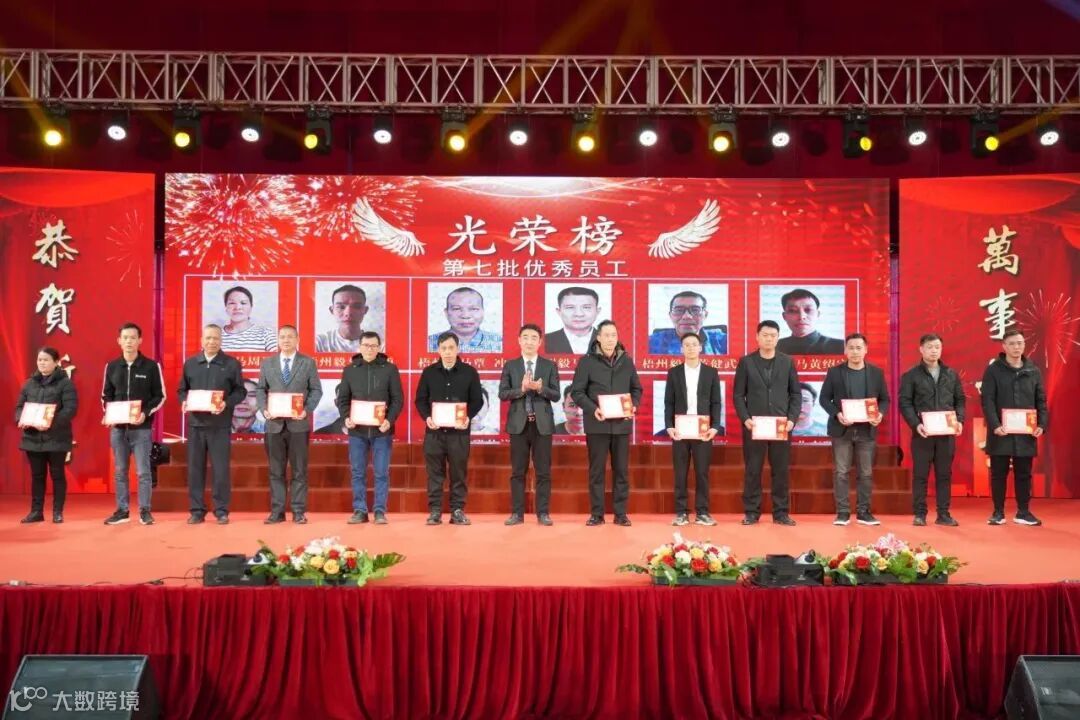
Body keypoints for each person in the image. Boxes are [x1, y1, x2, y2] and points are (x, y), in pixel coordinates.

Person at [570, 320, 643, 526]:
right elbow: (577, 392)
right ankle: (597, 514)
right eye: (606, 335)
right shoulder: (586, 362)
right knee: (597, 471)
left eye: (614, 335)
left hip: (621, 426)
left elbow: (636, 389)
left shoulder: (626, 361)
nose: (610, 339)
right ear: (598, 337)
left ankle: (621, 514)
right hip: (597, 424)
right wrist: (594, 409)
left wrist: (633, 405)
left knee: (621, 471)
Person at [733, 320, 801, 526]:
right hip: (755, 425)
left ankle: (781, 513)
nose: (769, 339)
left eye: (773, 335)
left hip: (781, 425)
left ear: (778, 338)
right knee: (753, 470)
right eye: (765, 335)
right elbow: (738, 395)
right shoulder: (746, 362)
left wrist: (792, 419)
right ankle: (751, 512)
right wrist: (746, 419)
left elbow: (795, 394)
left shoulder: (787, 362)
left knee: (780, 471)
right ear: (757, 337)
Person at [819, 333, 890, 526]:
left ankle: (864, 512)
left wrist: (880, 414)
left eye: (859, 348)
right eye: (851, 347)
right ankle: (842, 513)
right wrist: (837, 414)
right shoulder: (835, 372)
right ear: (845, 350)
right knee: (841, 472)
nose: (855, 351)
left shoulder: (876, 373)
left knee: (865, 473)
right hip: (842, 430)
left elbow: (885, 399)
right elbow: (824, 398)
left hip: (867, 431)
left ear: (866, 350)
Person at [178, 324, 246, 524]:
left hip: (220, 425)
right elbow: (182, 390)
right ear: (201, 340)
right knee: (195, 470)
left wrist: (226, 403)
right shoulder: (190, 364)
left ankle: (221, 510)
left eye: (215, 338)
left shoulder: (231, 364)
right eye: (208, 338)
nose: (211, 342)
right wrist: (184, 401)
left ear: (221, 340)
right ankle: (196, 510)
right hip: (196, 425)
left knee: (221, 470)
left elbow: (240, 391)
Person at [980, 329, 1048, 527]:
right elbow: (987, 400)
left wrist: (1041, 424)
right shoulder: (994, 370)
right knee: (998, 473)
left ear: (1024, 345)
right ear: (1004, 346)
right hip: (1001, 431)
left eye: (1019, 343)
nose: (1016, 347)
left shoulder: (1033, 370)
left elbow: (1041, 400)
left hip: (1026, 432)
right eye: (1012, 343)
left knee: (1024, 474)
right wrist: (995, 425)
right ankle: (998, 512)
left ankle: (1023, 512)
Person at [256, 325, 322, 525]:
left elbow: (316, 390)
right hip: (274, 425)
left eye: (290, 337)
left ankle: (298, 511)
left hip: (298, 425)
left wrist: (306, 410)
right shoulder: (267, 363)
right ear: (277, 340)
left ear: (297, 339)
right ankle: (277, 512)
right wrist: (264, 409)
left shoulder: (308, 363)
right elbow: (260, 389)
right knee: (276, 471)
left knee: (299, 470)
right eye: (282, 337)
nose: (286, 340)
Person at [415, 332, 484, 525]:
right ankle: (435, 511)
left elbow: (477, 400)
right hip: (434, 433)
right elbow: (420, 400)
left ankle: (457, 511)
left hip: (459, 433)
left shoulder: (469, 372)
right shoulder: (429, 373)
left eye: (451, 348)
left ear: (458, 349)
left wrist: (468, 417)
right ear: (438, 350)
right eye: (444, 348)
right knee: (434, 474)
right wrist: (427, 417)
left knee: (458, 473)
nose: (447, 352)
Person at [101, 322, 166, 527]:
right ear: (119, 341)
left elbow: (160, 396)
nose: (129, 341)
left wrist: (145, 413)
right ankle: (122, 511)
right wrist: (108, 414)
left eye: (133, 338)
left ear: (140, 341)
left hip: (141, 429)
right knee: (120, 471)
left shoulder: (151, 366)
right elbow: (106, 396)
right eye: (125, 338)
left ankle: (145, 511)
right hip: (118, 429)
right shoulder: (112, 367)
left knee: (143, 472)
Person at [898, 333, 966, 527]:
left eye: (937, 347)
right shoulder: (911, 375)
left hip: (946, 433)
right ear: (921, 349)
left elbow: (960, 400)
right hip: (923, 433)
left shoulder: (951, 374)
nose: (934, 351)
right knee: (920, 475)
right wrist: (915, 424)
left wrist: (960, 420)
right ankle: (920, 514)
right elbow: (905, 402)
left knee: (944, 475)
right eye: (930, 347)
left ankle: (943, 514)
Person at [337, 331, 404, 524]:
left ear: (379, 347)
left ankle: (380, 511)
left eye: (373, 346)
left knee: (381, 472)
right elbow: (343, 399)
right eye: (366, 345)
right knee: (358, 472)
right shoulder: (350, 370)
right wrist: (346, 417)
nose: (369, 349)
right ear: (359, 347)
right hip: (357, 431)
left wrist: (389, 420)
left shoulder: (390, 369)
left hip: (381, 431)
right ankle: (360, 510)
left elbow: (397, 399)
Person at [499, 323, 561, 526]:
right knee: (518, 472)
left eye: (534, 338)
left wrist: (541, 389)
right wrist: (522, 389)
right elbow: (502, 394)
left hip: (542, 425)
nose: (529, 341)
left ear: (540, 342)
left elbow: (556, 395)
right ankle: (517, 514)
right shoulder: (511, 366)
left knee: (543, 472)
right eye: (525, 337)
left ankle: (543, 513)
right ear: (519, 340)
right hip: (519, 425)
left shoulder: (549, 366)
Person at [664, 332, 723, 527]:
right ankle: (681, 512)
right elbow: (669, 402)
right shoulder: (674, 373)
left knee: (702, 473)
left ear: (700, 348)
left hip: (703, 430)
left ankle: (702, 512)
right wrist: (669, 426)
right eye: (687, 345)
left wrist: (715, 426)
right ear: (681, 349)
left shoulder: (710, 373)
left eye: (694, 344)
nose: (690, 348)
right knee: (680, 473)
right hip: (680, 430)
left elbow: (716, 402)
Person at [15, 347, 77, 524]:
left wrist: (48, 422)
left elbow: (70, 409)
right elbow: (19, 407)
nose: (42, 363)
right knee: (37, 476)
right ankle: (36, 511)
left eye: (46, 360)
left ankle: (57, 512)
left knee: (57, 475)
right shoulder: (29, 384)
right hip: (33, 438)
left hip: (56, 438)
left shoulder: (65, 384)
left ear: (56, 362)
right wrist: (21, 419)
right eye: (39, 360)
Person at [648, 291, 728, 355]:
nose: (686, 316)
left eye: (695, 310)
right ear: (671, 315)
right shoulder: (651, 342)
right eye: (679, 310)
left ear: (705, 315)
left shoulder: (723, 341)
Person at [427, 286, 502, 353]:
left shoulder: (499, 342)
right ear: (446, 313)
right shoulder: (429, 343)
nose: (465, 316)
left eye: (473, 309)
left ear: (482, 312)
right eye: (457, 309)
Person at [775, 288, 844, 355]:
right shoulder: (774, 347)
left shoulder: (840, 347)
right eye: (792, 310)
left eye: (808, 310)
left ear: (817, 314)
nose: (801, 316)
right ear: (784, 316)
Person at [219, 285, 278, 352]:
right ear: (226, 307)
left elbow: (278, 357)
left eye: (243, 303)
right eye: (232, 303)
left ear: (251, 307)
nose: (238, 307)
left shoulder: (266, 333)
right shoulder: (215, 334)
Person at [545, 286, 600, 354]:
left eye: (586, 307)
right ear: (559, 311)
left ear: (597, 311)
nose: (579, 314)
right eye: (570, 307)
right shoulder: (545, 340)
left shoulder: (608, 339)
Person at [315, 284, 369, 353]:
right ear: (332, 310)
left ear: (365, 310)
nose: (348, 313)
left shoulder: (379, 344)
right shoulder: (319, 342)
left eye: (357, 307)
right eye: (341, 307)